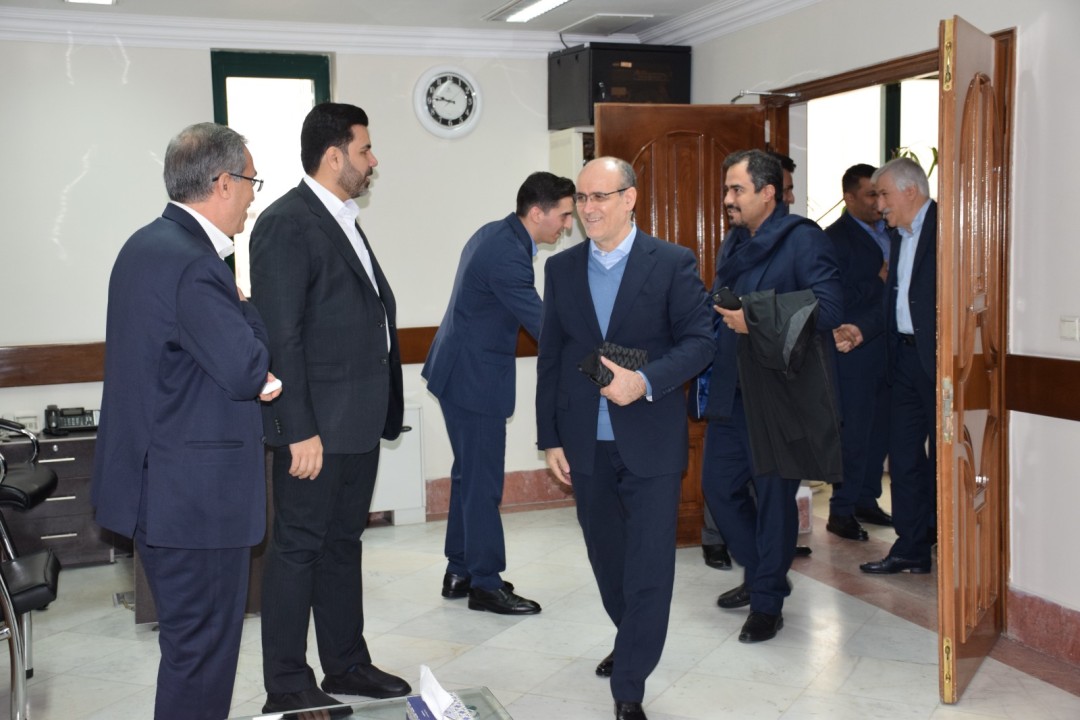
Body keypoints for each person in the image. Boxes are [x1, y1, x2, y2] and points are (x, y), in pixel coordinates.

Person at [92, 122, 281, 720]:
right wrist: (246, 307)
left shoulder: (143, 246)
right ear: (223, 183)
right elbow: (247, 368)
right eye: (251, 183)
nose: (252, 197)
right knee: (202, 656)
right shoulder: (196, 264)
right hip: (197, 503)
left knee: (187, 651)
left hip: (159, 487)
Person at [537, 157, 713, 720]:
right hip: (585, 443)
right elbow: (552, 356)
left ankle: (630, 682)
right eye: (582, 198)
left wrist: (645, 381)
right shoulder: (562, 269)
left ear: (630, 199)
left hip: (651, 441)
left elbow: (701, 341)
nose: (588, 208)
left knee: (649, 564)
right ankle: (631, 635)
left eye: (600, 197)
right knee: (607, 558)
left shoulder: (672, 263)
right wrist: (549, 437)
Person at [249, 102, 410, 713]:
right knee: (298, 550)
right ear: (335, 155)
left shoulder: (342, 218)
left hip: (357, 422)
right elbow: (281, 336)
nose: (373, 161)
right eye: (365, 150)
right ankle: (288, 682)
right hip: (315, 429)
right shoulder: (286, 222)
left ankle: (346, 664)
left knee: (343, 544)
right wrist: (299, 430)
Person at [701, 149, 843, 644]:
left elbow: (830, 306)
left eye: (736, 190)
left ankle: (766, 603)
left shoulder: (803, 239)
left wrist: (756, 318)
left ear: (768, 193)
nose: (727, 199)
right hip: (731, 389)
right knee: (719, 488)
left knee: (775, 504)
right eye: (727, 189)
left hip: (780, 394)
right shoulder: (735, 241)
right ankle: (766, 572)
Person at [422, 171, 575, 614]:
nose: (568, 226)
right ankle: (486, 585)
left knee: (469, 476)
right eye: (565, 215)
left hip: (457, 371)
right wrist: (593, 358)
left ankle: (460, 570)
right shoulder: (508, 253)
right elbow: (543, 325)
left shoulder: (495, 233)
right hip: (473, 381)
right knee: (483, 482)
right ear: (537, 213)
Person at [860, 157, 937, 575]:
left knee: (945, 460)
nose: (879, 204)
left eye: (884, 194)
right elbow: (895, 302)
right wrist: (861, 329)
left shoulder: (949, 226)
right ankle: (911, 548)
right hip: (904, 360)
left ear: (910, 191)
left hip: (941, 362)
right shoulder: (897, 236)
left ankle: (945, 539)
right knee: (904, 457)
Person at [825, 164, 894, 541]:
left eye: (881, 194)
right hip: (852, 349)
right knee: (853, 433)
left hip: (888, 347)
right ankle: (842, 509)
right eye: (870, 195)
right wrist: (878, 281)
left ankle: (867, 498)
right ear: (849, 197)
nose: (878, 202)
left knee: (880, 429)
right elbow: (834, 298)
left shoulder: (893, 231)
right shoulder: (834, 240)